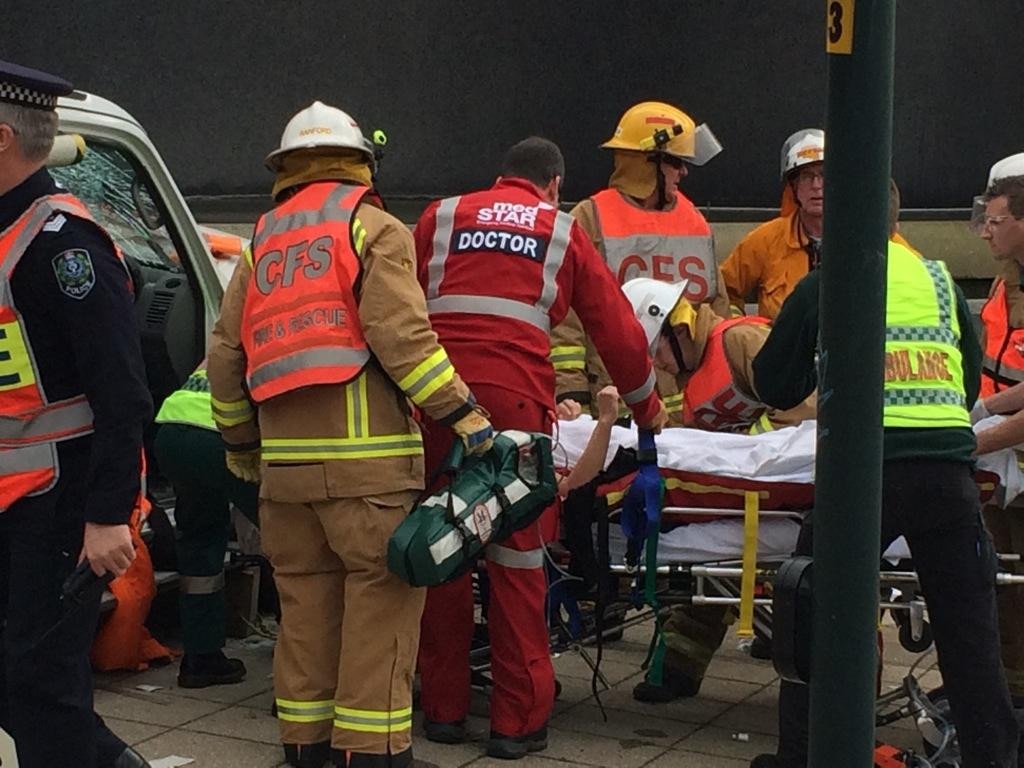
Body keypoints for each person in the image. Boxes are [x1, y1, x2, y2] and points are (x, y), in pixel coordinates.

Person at [207, 101, 492, 768]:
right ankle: (374, 755)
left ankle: (304, 752)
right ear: (359, 161)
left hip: (286, 478)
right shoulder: (376, 230)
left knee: (304, 621)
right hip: (370, 476)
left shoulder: (260, 244)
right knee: (380, 617)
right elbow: (403, 341)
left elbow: (225, 357)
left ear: (288, 169)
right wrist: (465, 415)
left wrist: (241, 443)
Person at [412, 136, 669, 760]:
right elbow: (617, 330)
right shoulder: (560, 231)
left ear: (500, 176)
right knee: (519, 562)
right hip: (516, 410)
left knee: (441, 550)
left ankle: (443, 709)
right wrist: (647, 410)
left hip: (438, 403)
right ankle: (516, 722)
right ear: (554, 185)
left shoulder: (441, 215)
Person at [749, 181, 1019, 768]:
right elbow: (966, 383)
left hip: (861, 476)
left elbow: (774, 384)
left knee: (815, 614)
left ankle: (802, 756)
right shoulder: (941, 280)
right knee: (969, 634)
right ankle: (992, 758)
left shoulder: (827, 282)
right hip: (949, 475)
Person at [0, 61, 152, 768]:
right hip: (15, 505)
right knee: (20, 687)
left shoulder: (64, 245)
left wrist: (109, 515)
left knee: (42, 695)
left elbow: (121, 390)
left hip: (59, 508)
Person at [549, 101, 727, 423]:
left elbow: (717, 309)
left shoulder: (695, 221)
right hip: (614, 402)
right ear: (648, 162)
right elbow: (566, 319)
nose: (683, 172)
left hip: (688, 407)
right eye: (675, 162)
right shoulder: (590, 219)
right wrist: (570, 392)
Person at [153, 362, 255, 688]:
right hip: (220, 435)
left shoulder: (232, 331)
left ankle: (201, 658)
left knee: (199, 545)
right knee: (295, 550)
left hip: (172, 428)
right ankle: (302, 680)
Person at [965, 162, 1024, 713]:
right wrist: (980, 408)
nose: (986, 230)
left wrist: (972, 443)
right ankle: (1008, 697)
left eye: (996, 218)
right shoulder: (1007, 283)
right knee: (1006, 582)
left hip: (1005, 451)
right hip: (1007, 462)